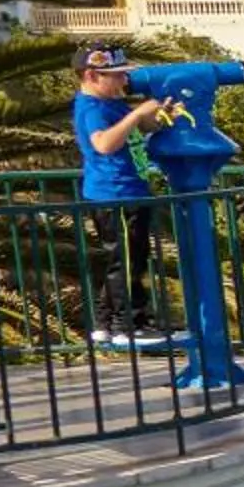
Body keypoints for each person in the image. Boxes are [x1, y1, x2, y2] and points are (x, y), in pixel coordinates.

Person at [72, 45, 171, 344]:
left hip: (128, 189)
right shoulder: (92, 108)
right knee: (128, 263)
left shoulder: (112, 103)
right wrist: (137, 113)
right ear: (92, 75)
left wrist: (159, 117)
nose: (123, 81)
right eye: (115, 76)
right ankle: (128, 324)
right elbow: (104, 144)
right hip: (115, 194)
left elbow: (141, 127)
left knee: (124, 259)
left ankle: (104, 321)